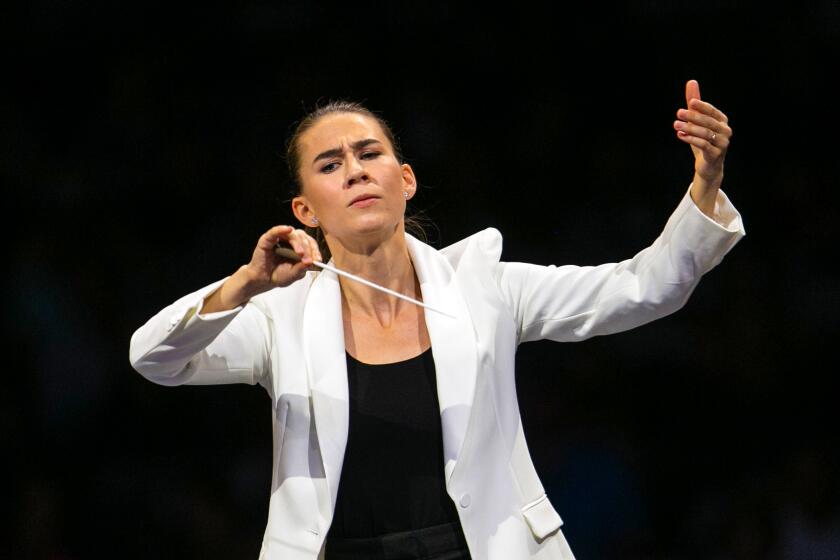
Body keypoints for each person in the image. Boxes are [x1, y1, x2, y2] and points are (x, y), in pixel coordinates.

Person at [129, 79, 745, 560]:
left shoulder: (485, 287)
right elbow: (153, 357)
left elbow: (644, 288)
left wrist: (706, 183)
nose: (355, 169)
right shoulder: (276, 317)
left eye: (369, 153)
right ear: (304, 209)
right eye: (330, 165)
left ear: (406, 179)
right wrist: (245, 284)